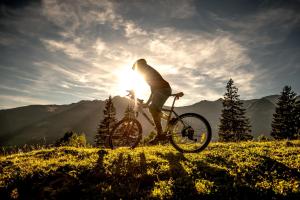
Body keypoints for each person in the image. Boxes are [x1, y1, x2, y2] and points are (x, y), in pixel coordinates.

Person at [132, 58, 172, 144]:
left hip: (163, 89)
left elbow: (153, 90)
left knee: (153, 109)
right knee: (154, 109)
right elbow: (153, 89)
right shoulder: (148, 71)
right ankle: (169, 119)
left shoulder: (147, 73)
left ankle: (160, 134)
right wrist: (147, 102)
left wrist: (147, 102)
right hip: (163, 89)